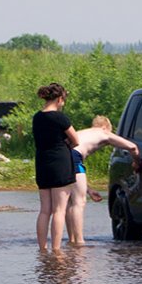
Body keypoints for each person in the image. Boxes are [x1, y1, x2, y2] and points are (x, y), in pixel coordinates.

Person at [66, 115, 140, 245]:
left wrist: (89, 190)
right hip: (75, 156)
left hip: (63, 155)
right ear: (105, 127)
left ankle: (72, 239)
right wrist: (136, 162)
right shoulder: (103, 133)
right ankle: (79, 242)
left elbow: (75, 175)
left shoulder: (83, 133)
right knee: (79, 202)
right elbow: (132, 147)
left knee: (70, 201)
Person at [33, 83, 79, 252]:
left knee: (45, 210)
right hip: (60, 163)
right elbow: (76, 140)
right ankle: (57, 249)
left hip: (42, 163)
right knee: (59, 210)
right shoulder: (61, 118)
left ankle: (42, 248)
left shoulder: (37, 117)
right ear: (60, 99)